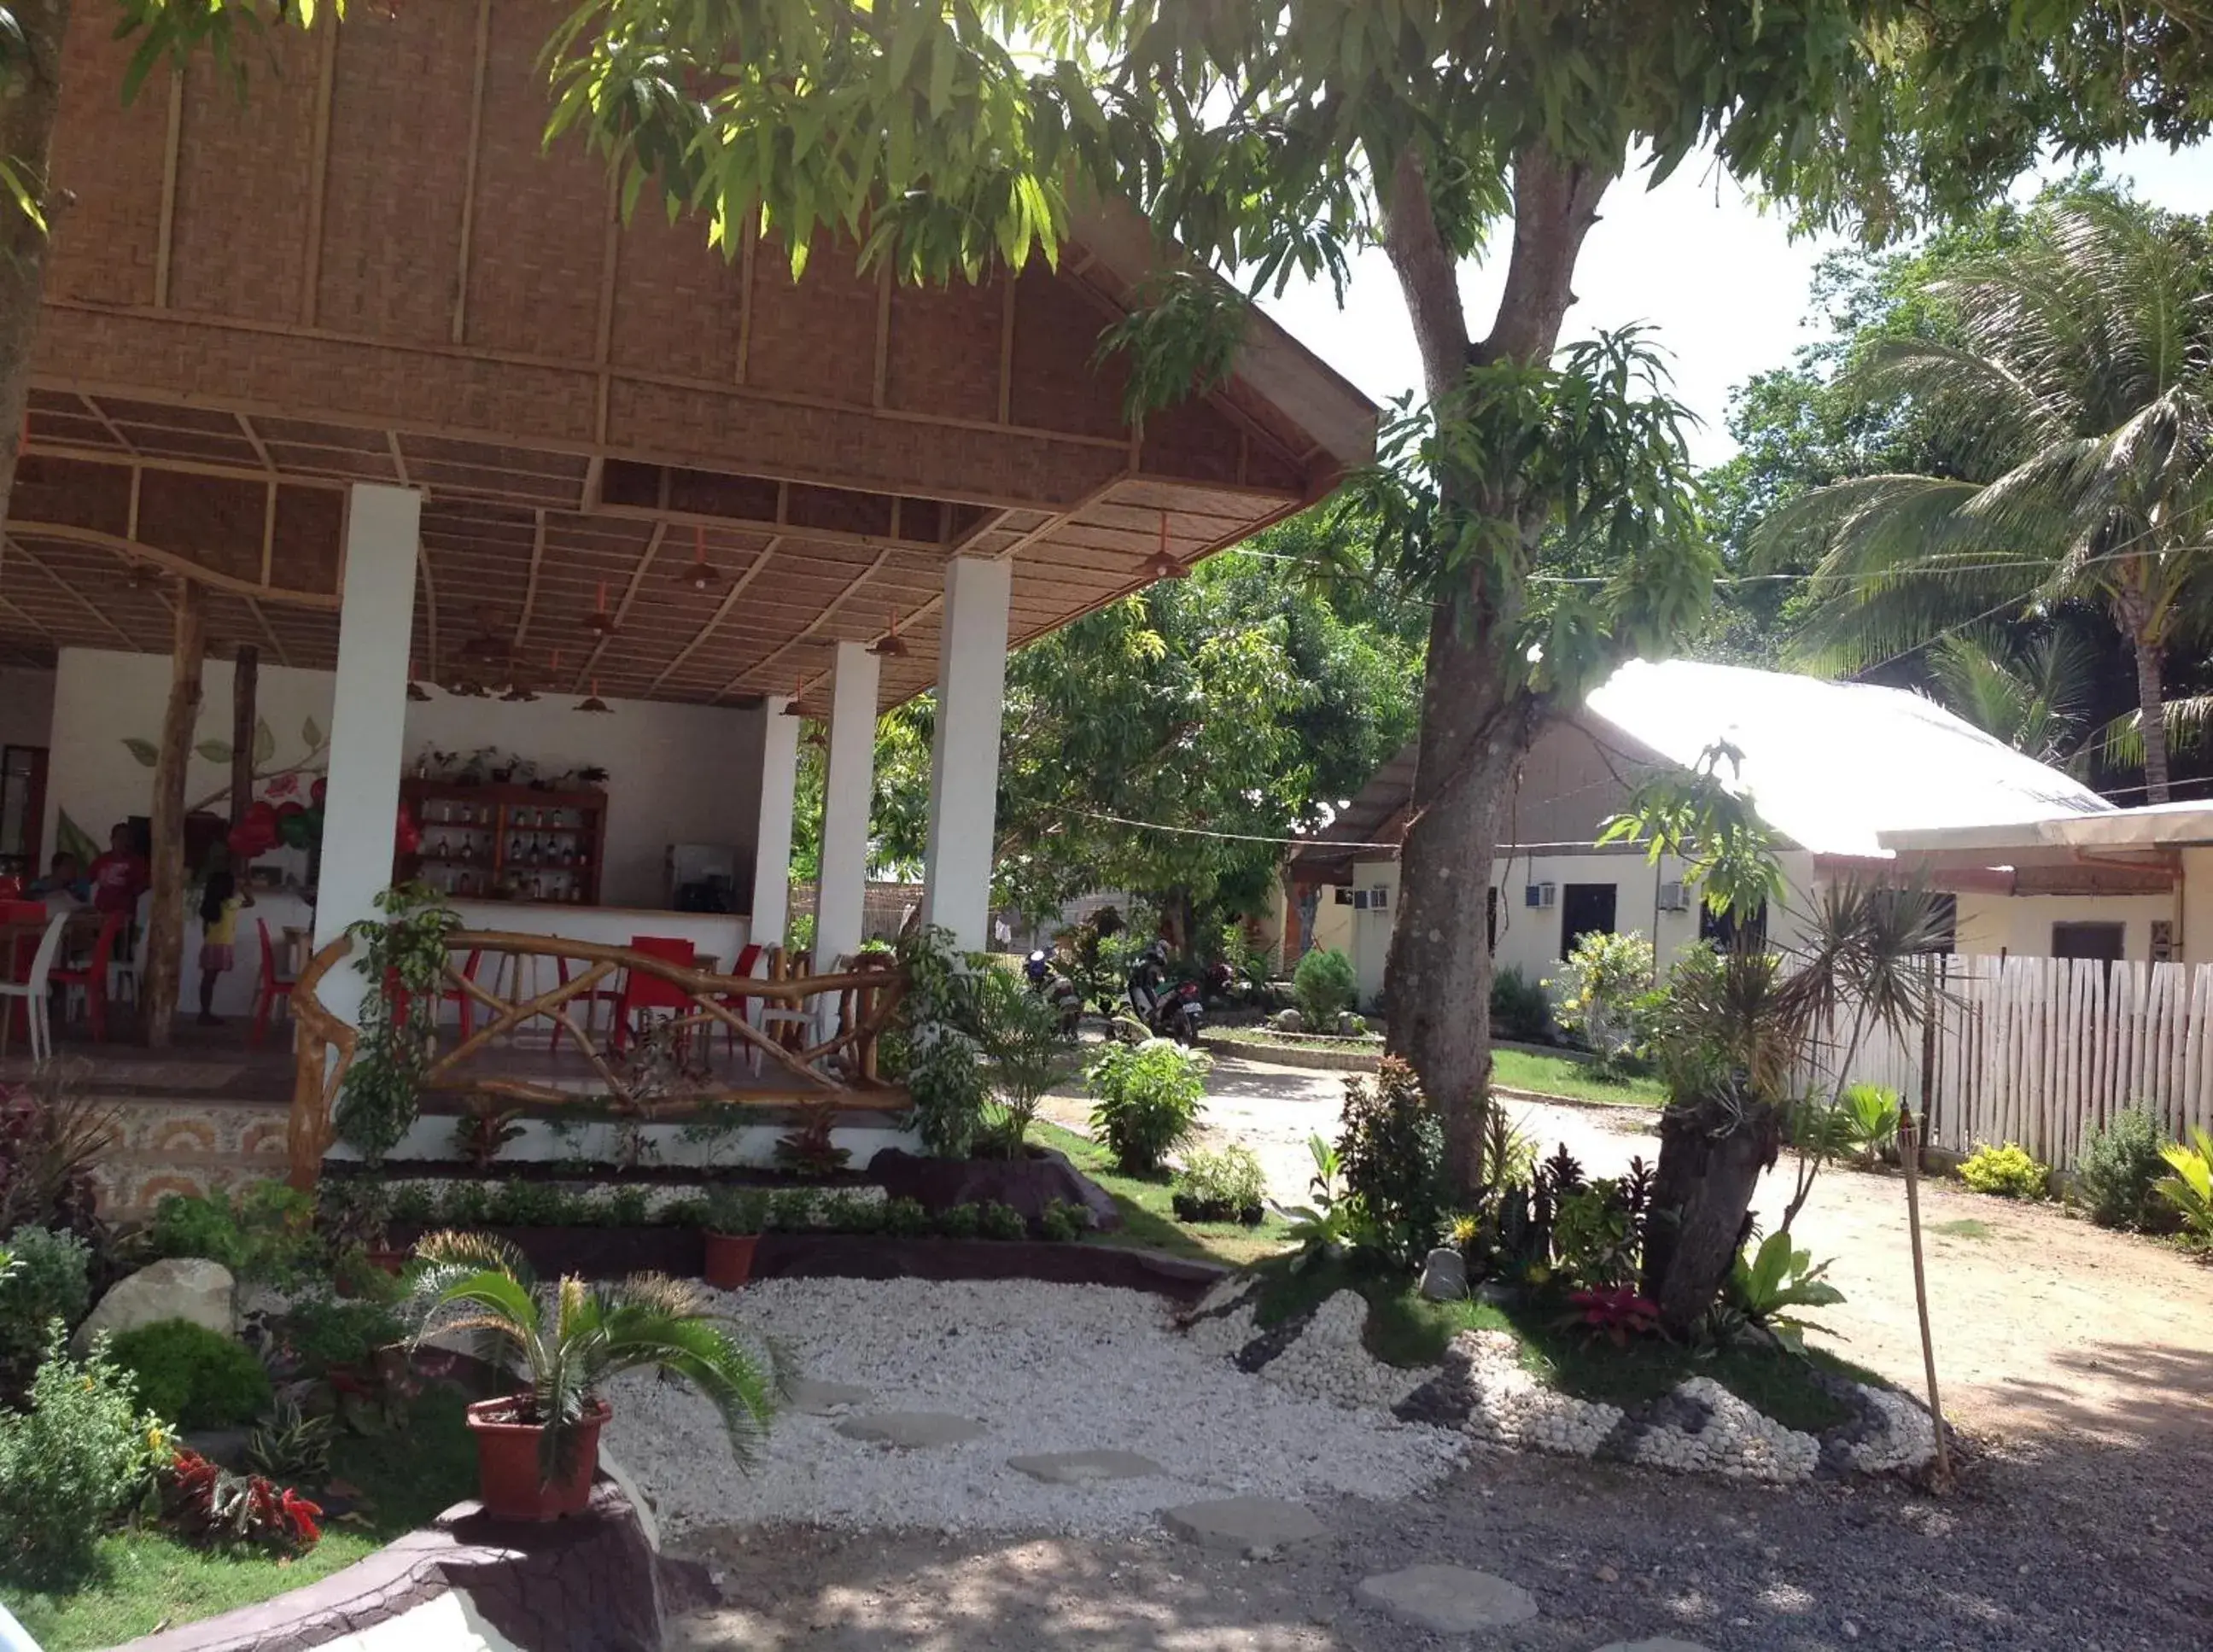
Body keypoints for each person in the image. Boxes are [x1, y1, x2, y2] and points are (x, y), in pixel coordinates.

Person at [196, 863, 240, 1027]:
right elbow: (251, 901)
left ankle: (204, 1011)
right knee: (210, 980)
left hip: (210, 945)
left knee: (208, 980)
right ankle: (205, 1013)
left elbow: (205, 928)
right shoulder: (231, 904)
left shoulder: (210, 905)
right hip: (223, 946)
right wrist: (244, 886)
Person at [88, 824, 148, 920]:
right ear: (112, 839)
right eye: (121, 837)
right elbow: (87, 879)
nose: (125, 841)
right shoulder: (102, 860)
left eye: (128, 838)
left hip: (124, 914)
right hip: (101, 912)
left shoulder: (137, 862)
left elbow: (142, 886)